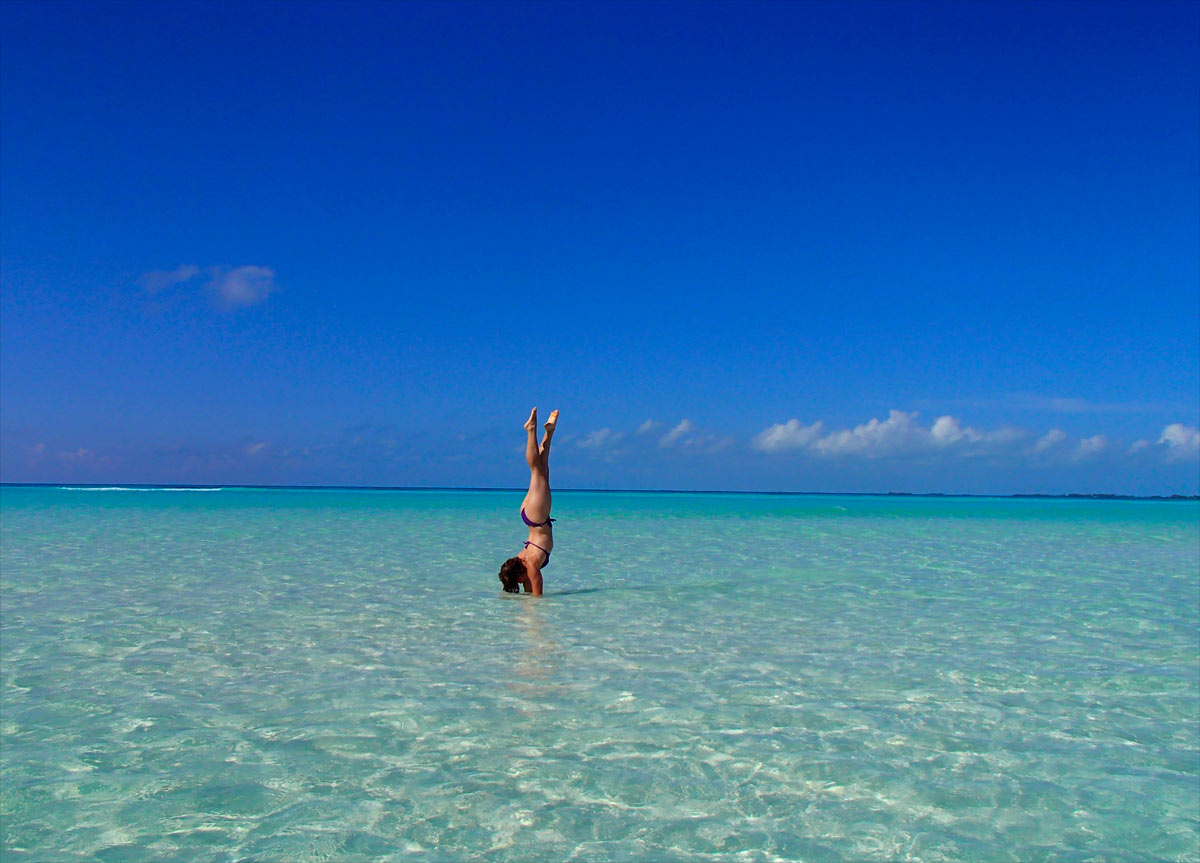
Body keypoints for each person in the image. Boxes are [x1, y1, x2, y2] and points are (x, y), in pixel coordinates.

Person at [498, 407, 558, 596]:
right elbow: (529, 597)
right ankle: (549, 431)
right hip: (533, 515)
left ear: (520, 575)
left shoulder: (530, 565)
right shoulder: (522, 563)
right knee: (543, 467)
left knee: (536, 471)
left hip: (537, 516)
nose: (522, 583)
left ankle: (531, 429)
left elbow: (537, 599)